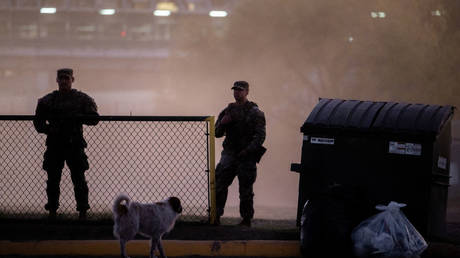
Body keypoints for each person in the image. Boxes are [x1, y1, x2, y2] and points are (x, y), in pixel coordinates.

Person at [33, 68, 99, 220]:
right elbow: (38, 122)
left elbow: (94, 119)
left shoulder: (82, 99)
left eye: (66, 78)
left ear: (72, 80)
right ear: (57, 80)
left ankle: (83, 212)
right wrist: (51, 130)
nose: (63, 81)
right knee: (53, 180)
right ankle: (52, 211)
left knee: (79, 180)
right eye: (61, 78)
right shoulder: (48, 100)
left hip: (74, 144)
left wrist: (78, 118)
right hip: (55, 145)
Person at [214, 80, 266, 227]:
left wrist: (248, 150)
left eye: (240, 90)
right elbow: (216, 133)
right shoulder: (227, 111)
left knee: (246, 189)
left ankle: (246, 219)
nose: (237, 92)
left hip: (246, 156)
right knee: (219, 184)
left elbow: (260, 136)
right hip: (230, 154)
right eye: (235, 90)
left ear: (247, 92)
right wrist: (223, 123)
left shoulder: (256, 113)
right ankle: (216, 216)